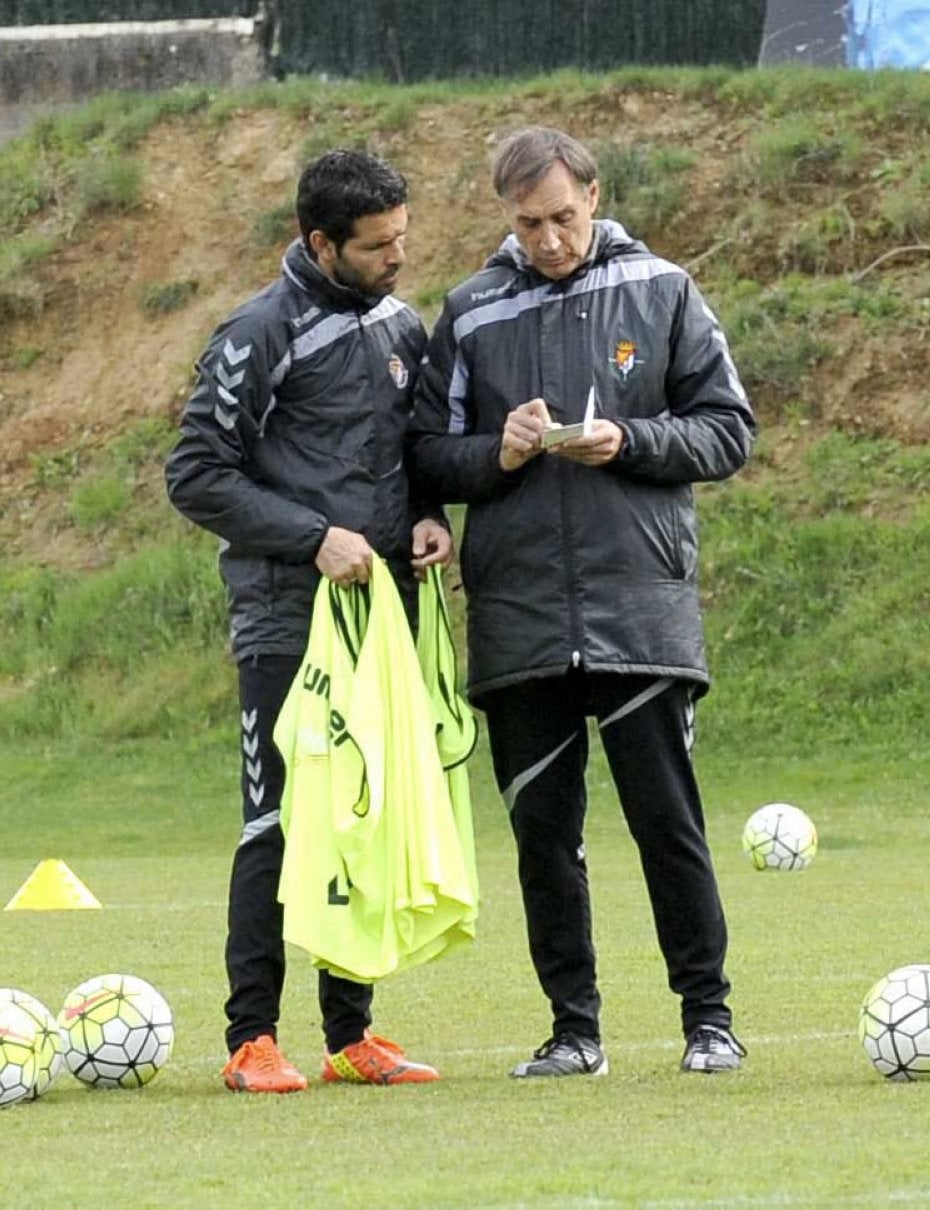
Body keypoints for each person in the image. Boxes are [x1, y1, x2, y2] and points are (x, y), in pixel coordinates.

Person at [407, 126, 756, 1078]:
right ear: (504, 217)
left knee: (666, 826)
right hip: (518, 616)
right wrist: (501, 452)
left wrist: (631, 441)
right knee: (542, 838)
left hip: (639, 608)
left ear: (594, 196)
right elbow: (427, 457)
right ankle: (574, 1031)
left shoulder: (666, 290)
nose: (551, 239)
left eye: (564, 217)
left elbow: (729, 431)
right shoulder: (472, 313)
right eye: (530, 224)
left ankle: (708, 1020)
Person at [166, 149, 452, 1093]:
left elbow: (411, 453)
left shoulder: (401, 324)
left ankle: (350, 1035)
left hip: (382, 621)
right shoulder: (256, 333)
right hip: (287, 619)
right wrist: (314, 537)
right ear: (319, 241)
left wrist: (424, 519)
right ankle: (250, 1038)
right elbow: (197, 476)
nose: (396, 258)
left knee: (363, 825)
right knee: (280, 826)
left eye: (403, 238)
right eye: (377, 246)